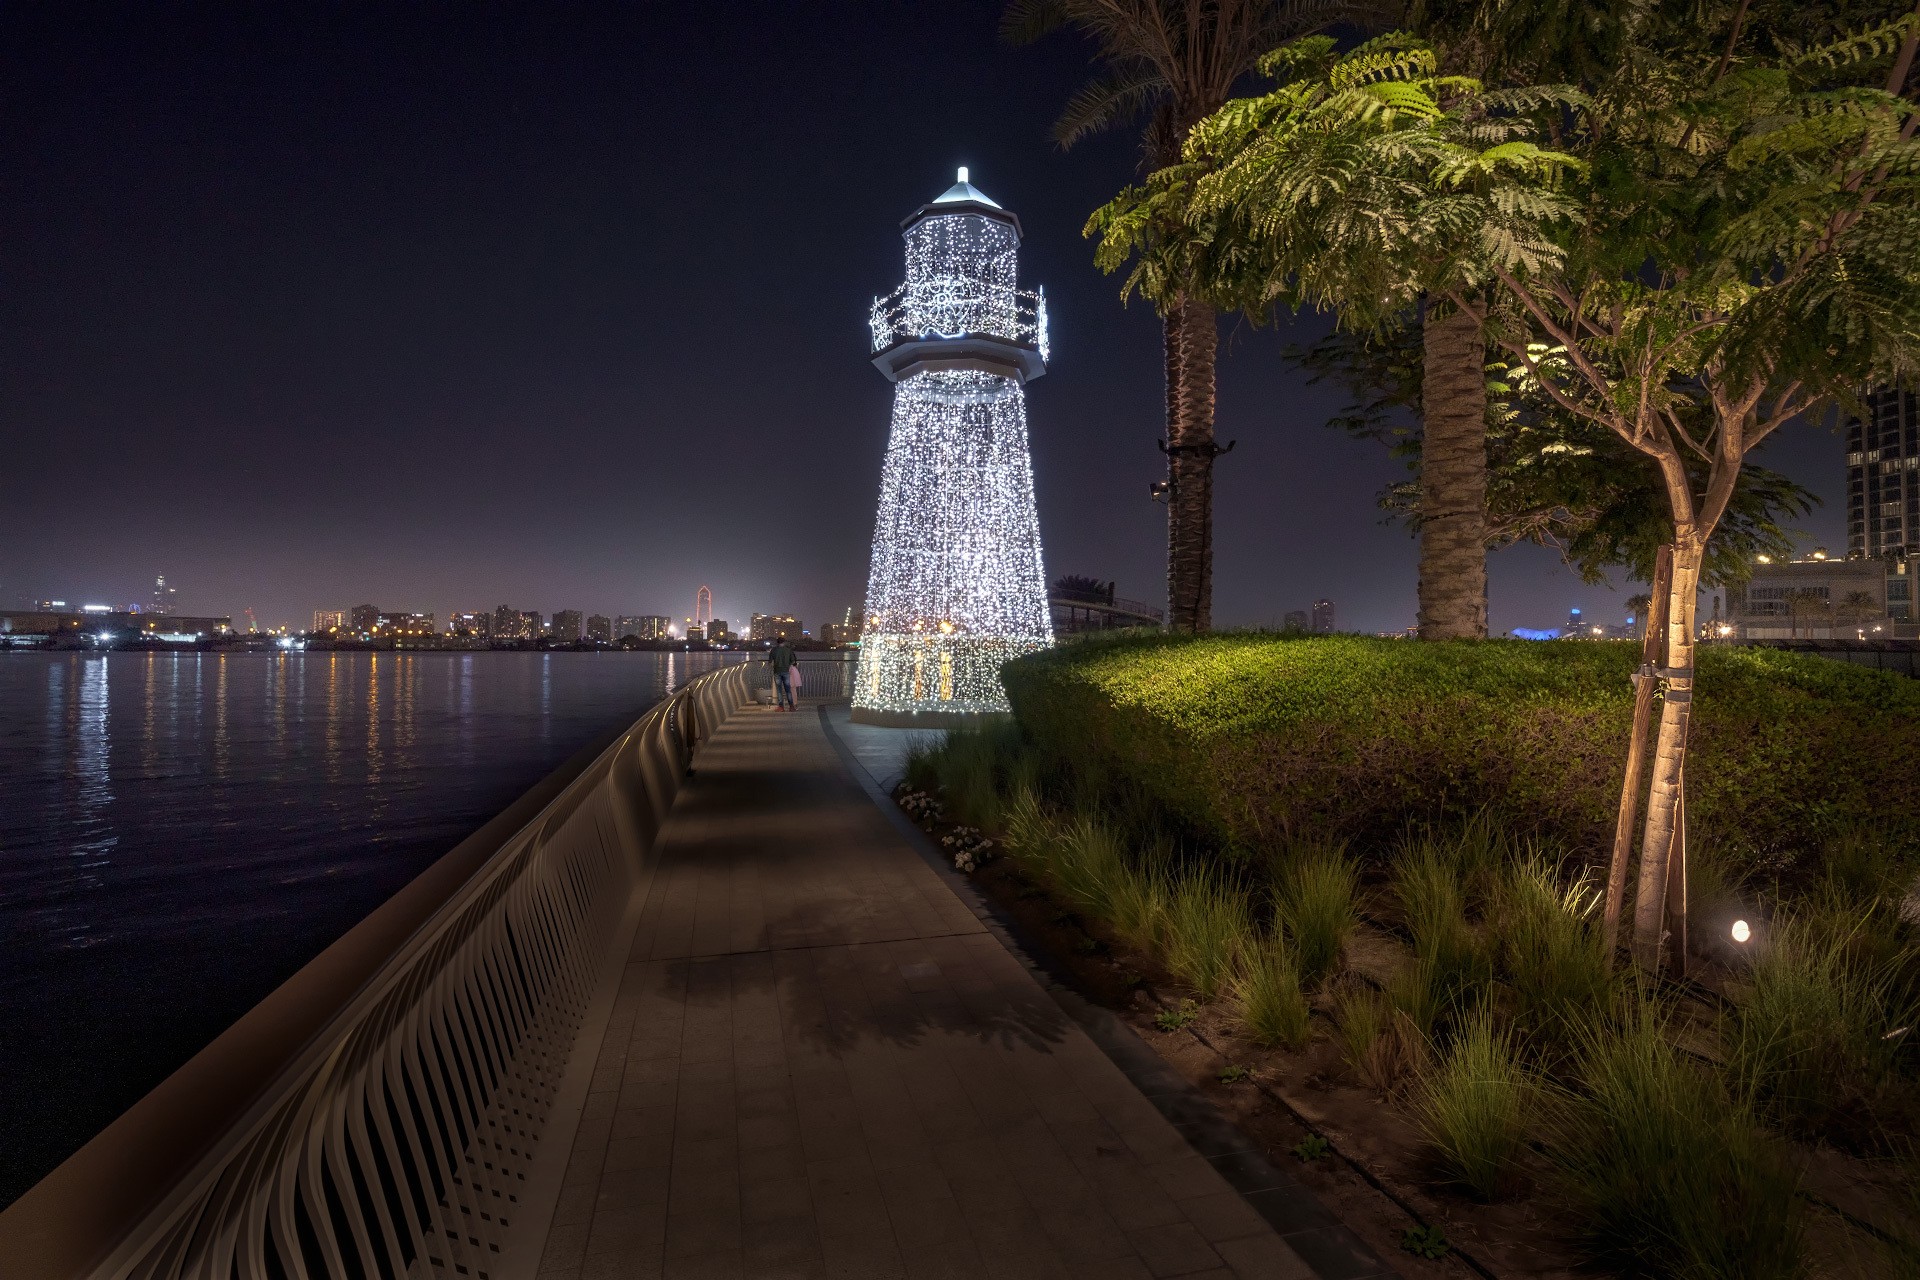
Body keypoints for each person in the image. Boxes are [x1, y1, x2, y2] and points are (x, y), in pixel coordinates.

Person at [768, 634, 797, 711]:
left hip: (777, 671)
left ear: (777, 642)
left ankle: (781, 707)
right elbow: (793, 661)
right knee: (788, 690)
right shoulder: (788, 650)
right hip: (786, 672)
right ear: (784, 642)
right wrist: (787, 665)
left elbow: (770, 662)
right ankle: (791, 706)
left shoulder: (774, 650)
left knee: (779, 690)